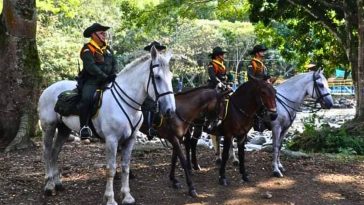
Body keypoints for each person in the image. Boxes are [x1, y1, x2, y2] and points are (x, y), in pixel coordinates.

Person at [77, 23, 117, 140]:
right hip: (92, 81)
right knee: (86, 99)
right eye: (101, 33)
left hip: (108, 79)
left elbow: (114, 63)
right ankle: (84, 127)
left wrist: (114, 74)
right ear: (93, 35)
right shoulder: (87, 49)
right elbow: (91, 67)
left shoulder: (107, 49)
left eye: (104, 33)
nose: (104, 35)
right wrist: (104, 76)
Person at [142, 41, 166, 140]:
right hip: (145, 90)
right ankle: (149, 128)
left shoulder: (162, 64)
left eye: (160, 50)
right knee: (151, 104)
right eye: (157, 50)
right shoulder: (145, 63)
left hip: (158, 90)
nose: (159, 52)